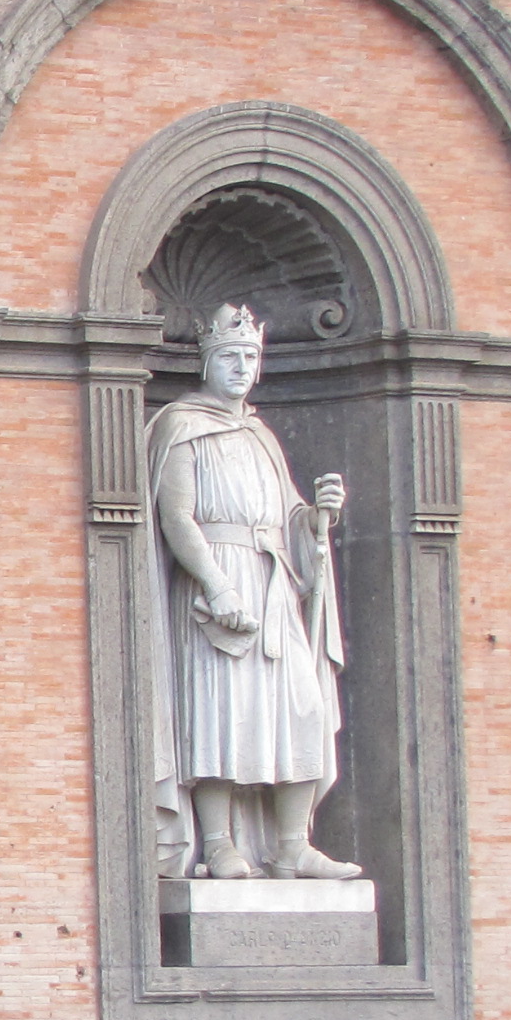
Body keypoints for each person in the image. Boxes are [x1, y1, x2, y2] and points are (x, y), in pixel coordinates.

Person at [146, 300, 358, 882]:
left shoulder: (261, 435)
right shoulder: (181, 426)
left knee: (301, 707)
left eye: (249, 357)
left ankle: (292, 845)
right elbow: (176, 516)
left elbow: (288, 517)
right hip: (216, 583)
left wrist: (317, 518)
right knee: (218, 712)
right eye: (229, 357)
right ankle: (217, 845)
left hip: (272, 584)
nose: (241, 368)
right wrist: (217, 586)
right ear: (206, 362)